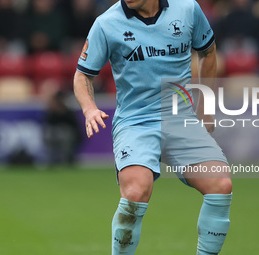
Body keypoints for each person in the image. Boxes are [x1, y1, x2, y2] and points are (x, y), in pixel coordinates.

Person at [73, 1, 232, 255]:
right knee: (135, 192)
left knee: (221, 185)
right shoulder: (106, 23)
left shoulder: (188, 9)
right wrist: (89, 109)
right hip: (136, 121)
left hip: (180, 118)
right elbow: (82, 75)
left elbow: (208, 52)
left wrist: (206, 107)